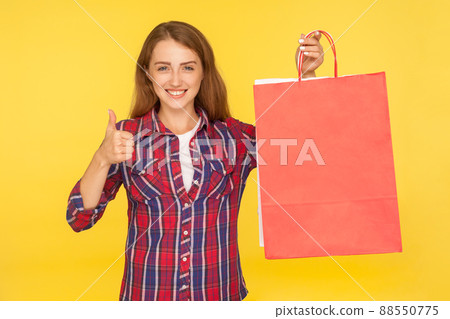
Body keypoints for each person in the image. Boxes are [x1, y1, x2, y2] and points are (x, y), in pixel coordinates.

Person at [66, 21, 324, 301]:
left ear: (203, 74)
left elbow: (303, 150)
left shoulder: (234, 138)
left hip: (219, 298)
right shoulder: (126, 138)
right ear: (147, 75)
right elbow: (79, 218)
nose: (175, 81)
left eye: (187, 67)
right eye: (163, 68)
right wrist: (101, 159)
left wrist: (307, 76)